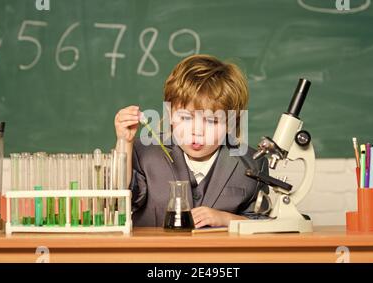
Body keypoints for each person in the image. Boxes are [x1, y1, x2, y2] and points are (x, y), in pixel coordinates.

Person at [115, 54, 268, 228]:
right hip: (155, 255)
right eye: (186, 118)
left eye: (212, 121)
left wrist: (225, 219)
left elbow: (266, 224)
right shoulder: (143, 153)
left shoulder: (253, 164)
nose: (197, 131)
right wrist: (124, 143)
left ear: (231, 124)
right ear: (170, 115)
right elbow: (118, 205)